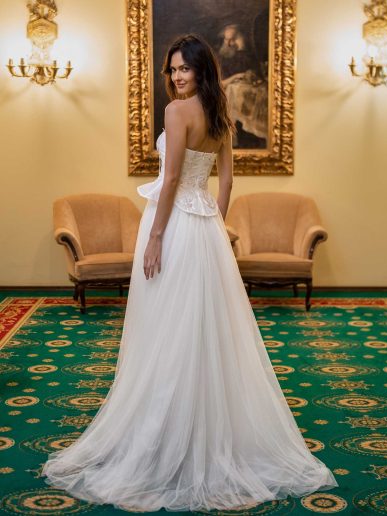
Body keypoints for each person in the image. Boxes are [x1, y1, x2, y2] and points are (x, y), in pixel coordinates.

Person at [40, 33, 338, 512]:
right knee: (202, 329)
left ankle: (169, 438)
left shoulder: (177, 112)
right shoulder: (221, 114)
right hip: (204, 231)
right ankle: (199, 433)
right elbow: (226, 179)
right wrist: (216, 224)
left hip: (177, 225)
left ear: (201, 69)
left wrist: (155, 236)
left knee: (167, 329)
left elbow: (174, 178)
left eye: (184, 69)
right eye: (172, 69)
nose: (177, 77)